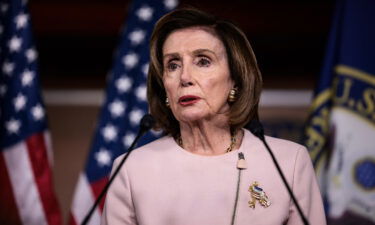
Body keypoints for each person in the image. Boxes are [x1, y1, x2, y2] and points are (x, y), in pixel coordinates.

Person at [101, 8, 326, 225]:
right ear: (164, 87)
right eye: (173, 65)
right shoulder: (131, 170)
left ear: (235, 79)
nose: (185, 77)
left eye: (203, 61)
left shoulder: (289, 163)